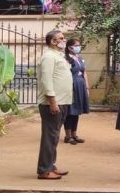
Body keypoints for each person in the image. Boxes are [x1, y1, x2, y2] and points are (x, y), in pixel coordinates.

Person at [35, 30, 72, 180]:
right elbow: (46, 81)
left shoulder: (58, 56)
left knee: (54, 137)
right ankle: (44, 170)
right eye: (61, 38)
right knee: (50, 137)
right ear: (53, 41)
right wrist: (52, 102)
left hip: (62, 101)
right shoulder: (49, 57)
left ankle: (51, 165)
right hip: (52, 103)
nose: (64, 40)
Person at [64, 38, 90, 145]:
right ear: (69, 47)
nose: (78, 47)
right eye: (76, 45)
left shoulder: (80, 58)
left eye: (79, 45)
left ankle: (74, 134)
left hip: (80, 86)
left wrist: (87, 88)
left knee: (77, 111)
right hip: (71, 86)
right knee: (70, 111)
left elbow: (84, 73)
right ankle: (68, 135)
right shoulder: (66, 59)